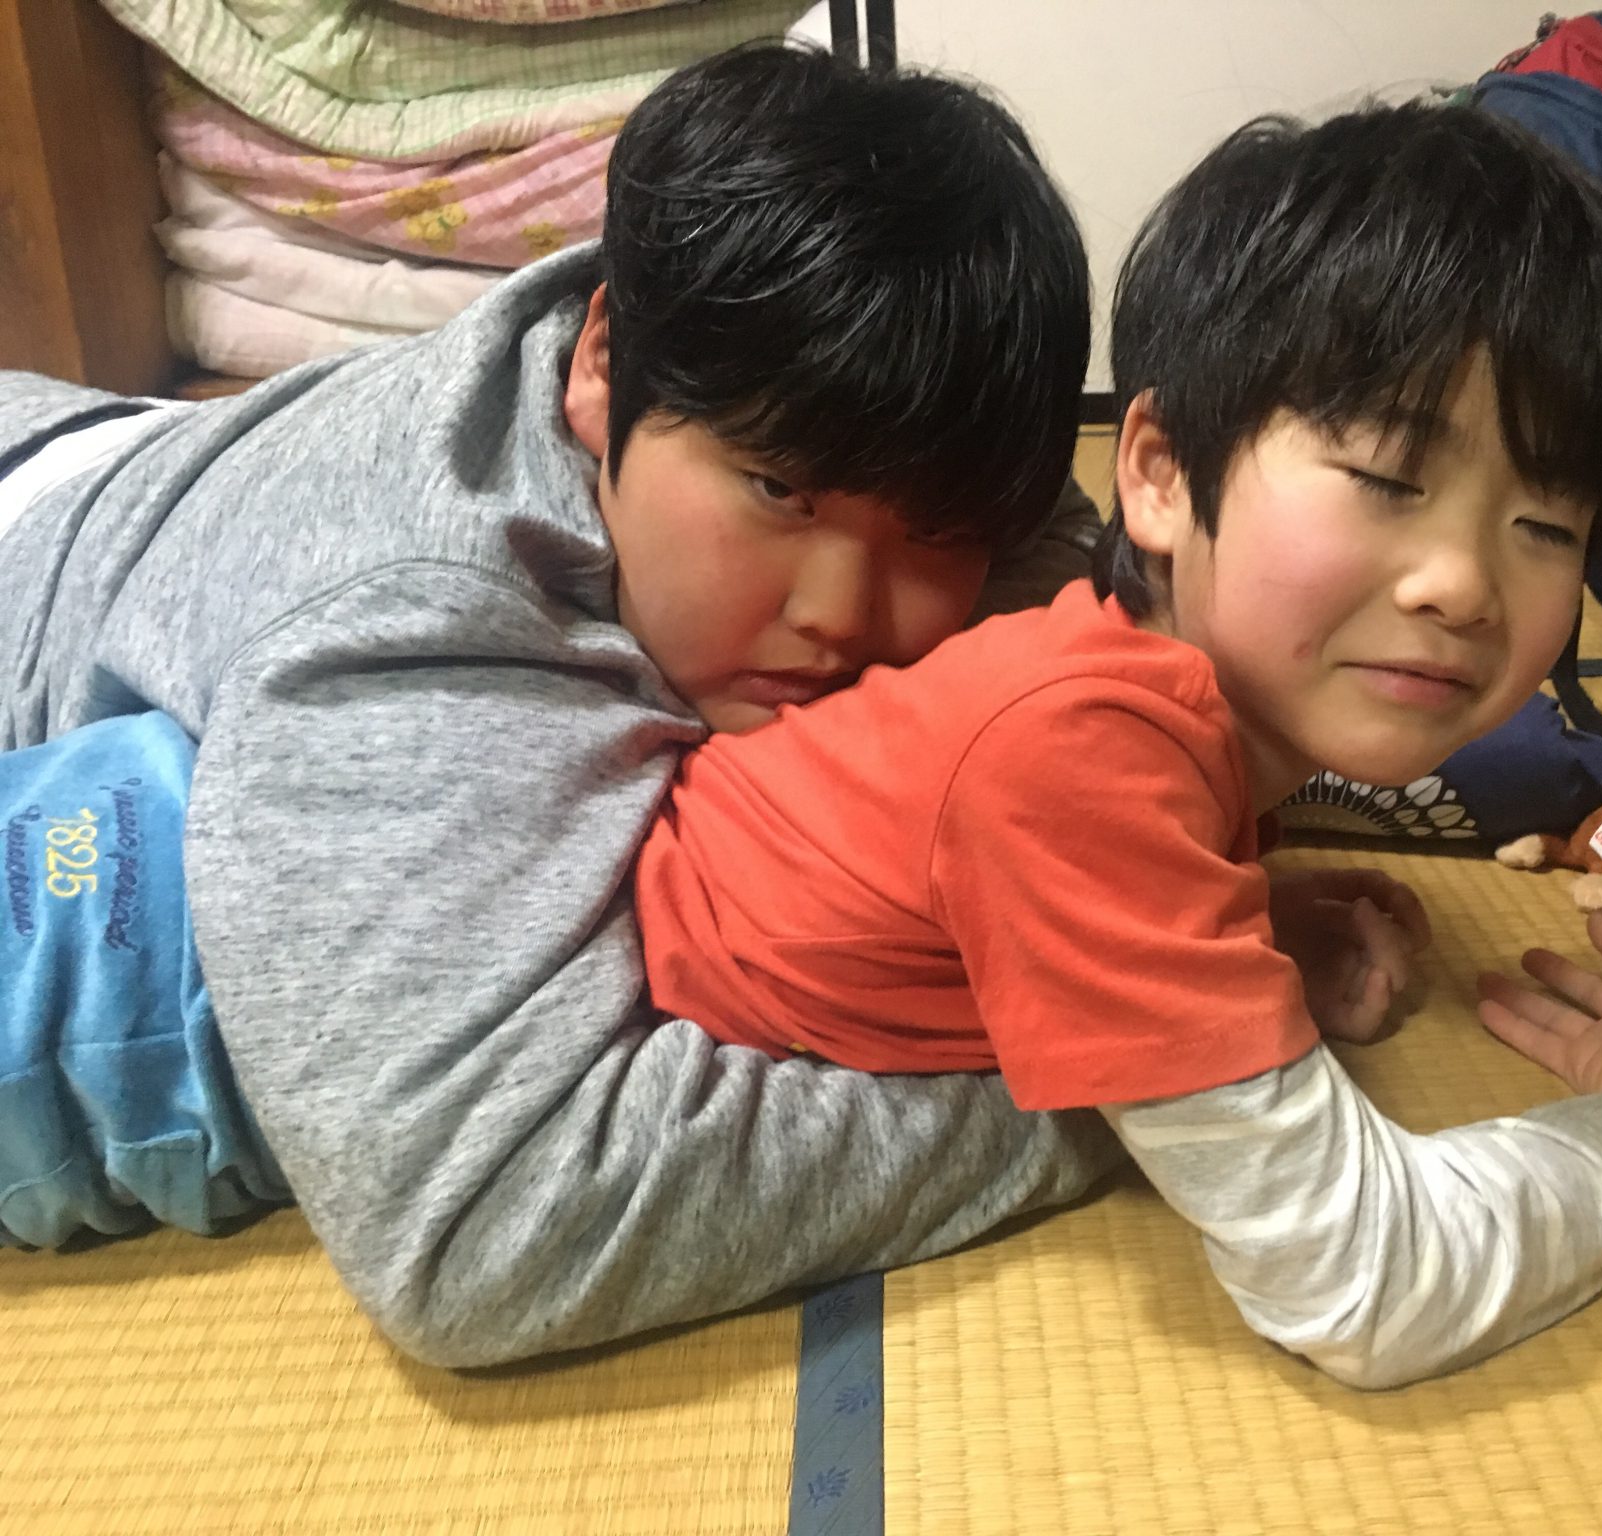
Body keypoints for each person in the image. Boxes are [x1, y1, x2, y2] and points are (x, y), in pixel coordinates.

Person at [0, 43, 1123, 1362]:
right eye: (778, 491)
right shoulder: (426, 618)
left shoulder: (782, 373)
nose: (841, 612)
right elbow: (482, 1231)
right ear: (599, 366)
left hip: (105, 445)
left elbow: (1065, 574)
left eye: (931, 533)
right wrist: (1134, 1082)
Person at [628, 102, 1602, 1387]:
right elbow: (1369, 1287)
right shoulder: (1078, 752)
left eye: (1545, 526)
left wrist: (1237, 925)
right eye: (1387, 479)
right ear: (1156, 473)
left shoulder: (1149, 701)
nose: (1460, 586)